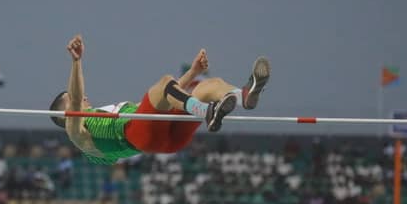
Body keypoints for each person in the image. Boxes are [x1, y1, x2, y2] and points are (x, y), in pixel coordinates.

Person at [50, 34, 270, 164]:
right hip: (135, 135)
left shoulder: (103, 113)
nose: (82, 96)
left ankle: (244, 97)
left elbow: (166, 99)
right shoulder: (77, 132)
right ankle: (207, 112)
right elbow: (78, 100)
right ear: (64, 115)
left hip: (162, 138)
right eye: (71, 96)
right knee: (165, 81)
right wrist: (76, 62)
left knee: (206, 86)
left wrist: (193, 72)